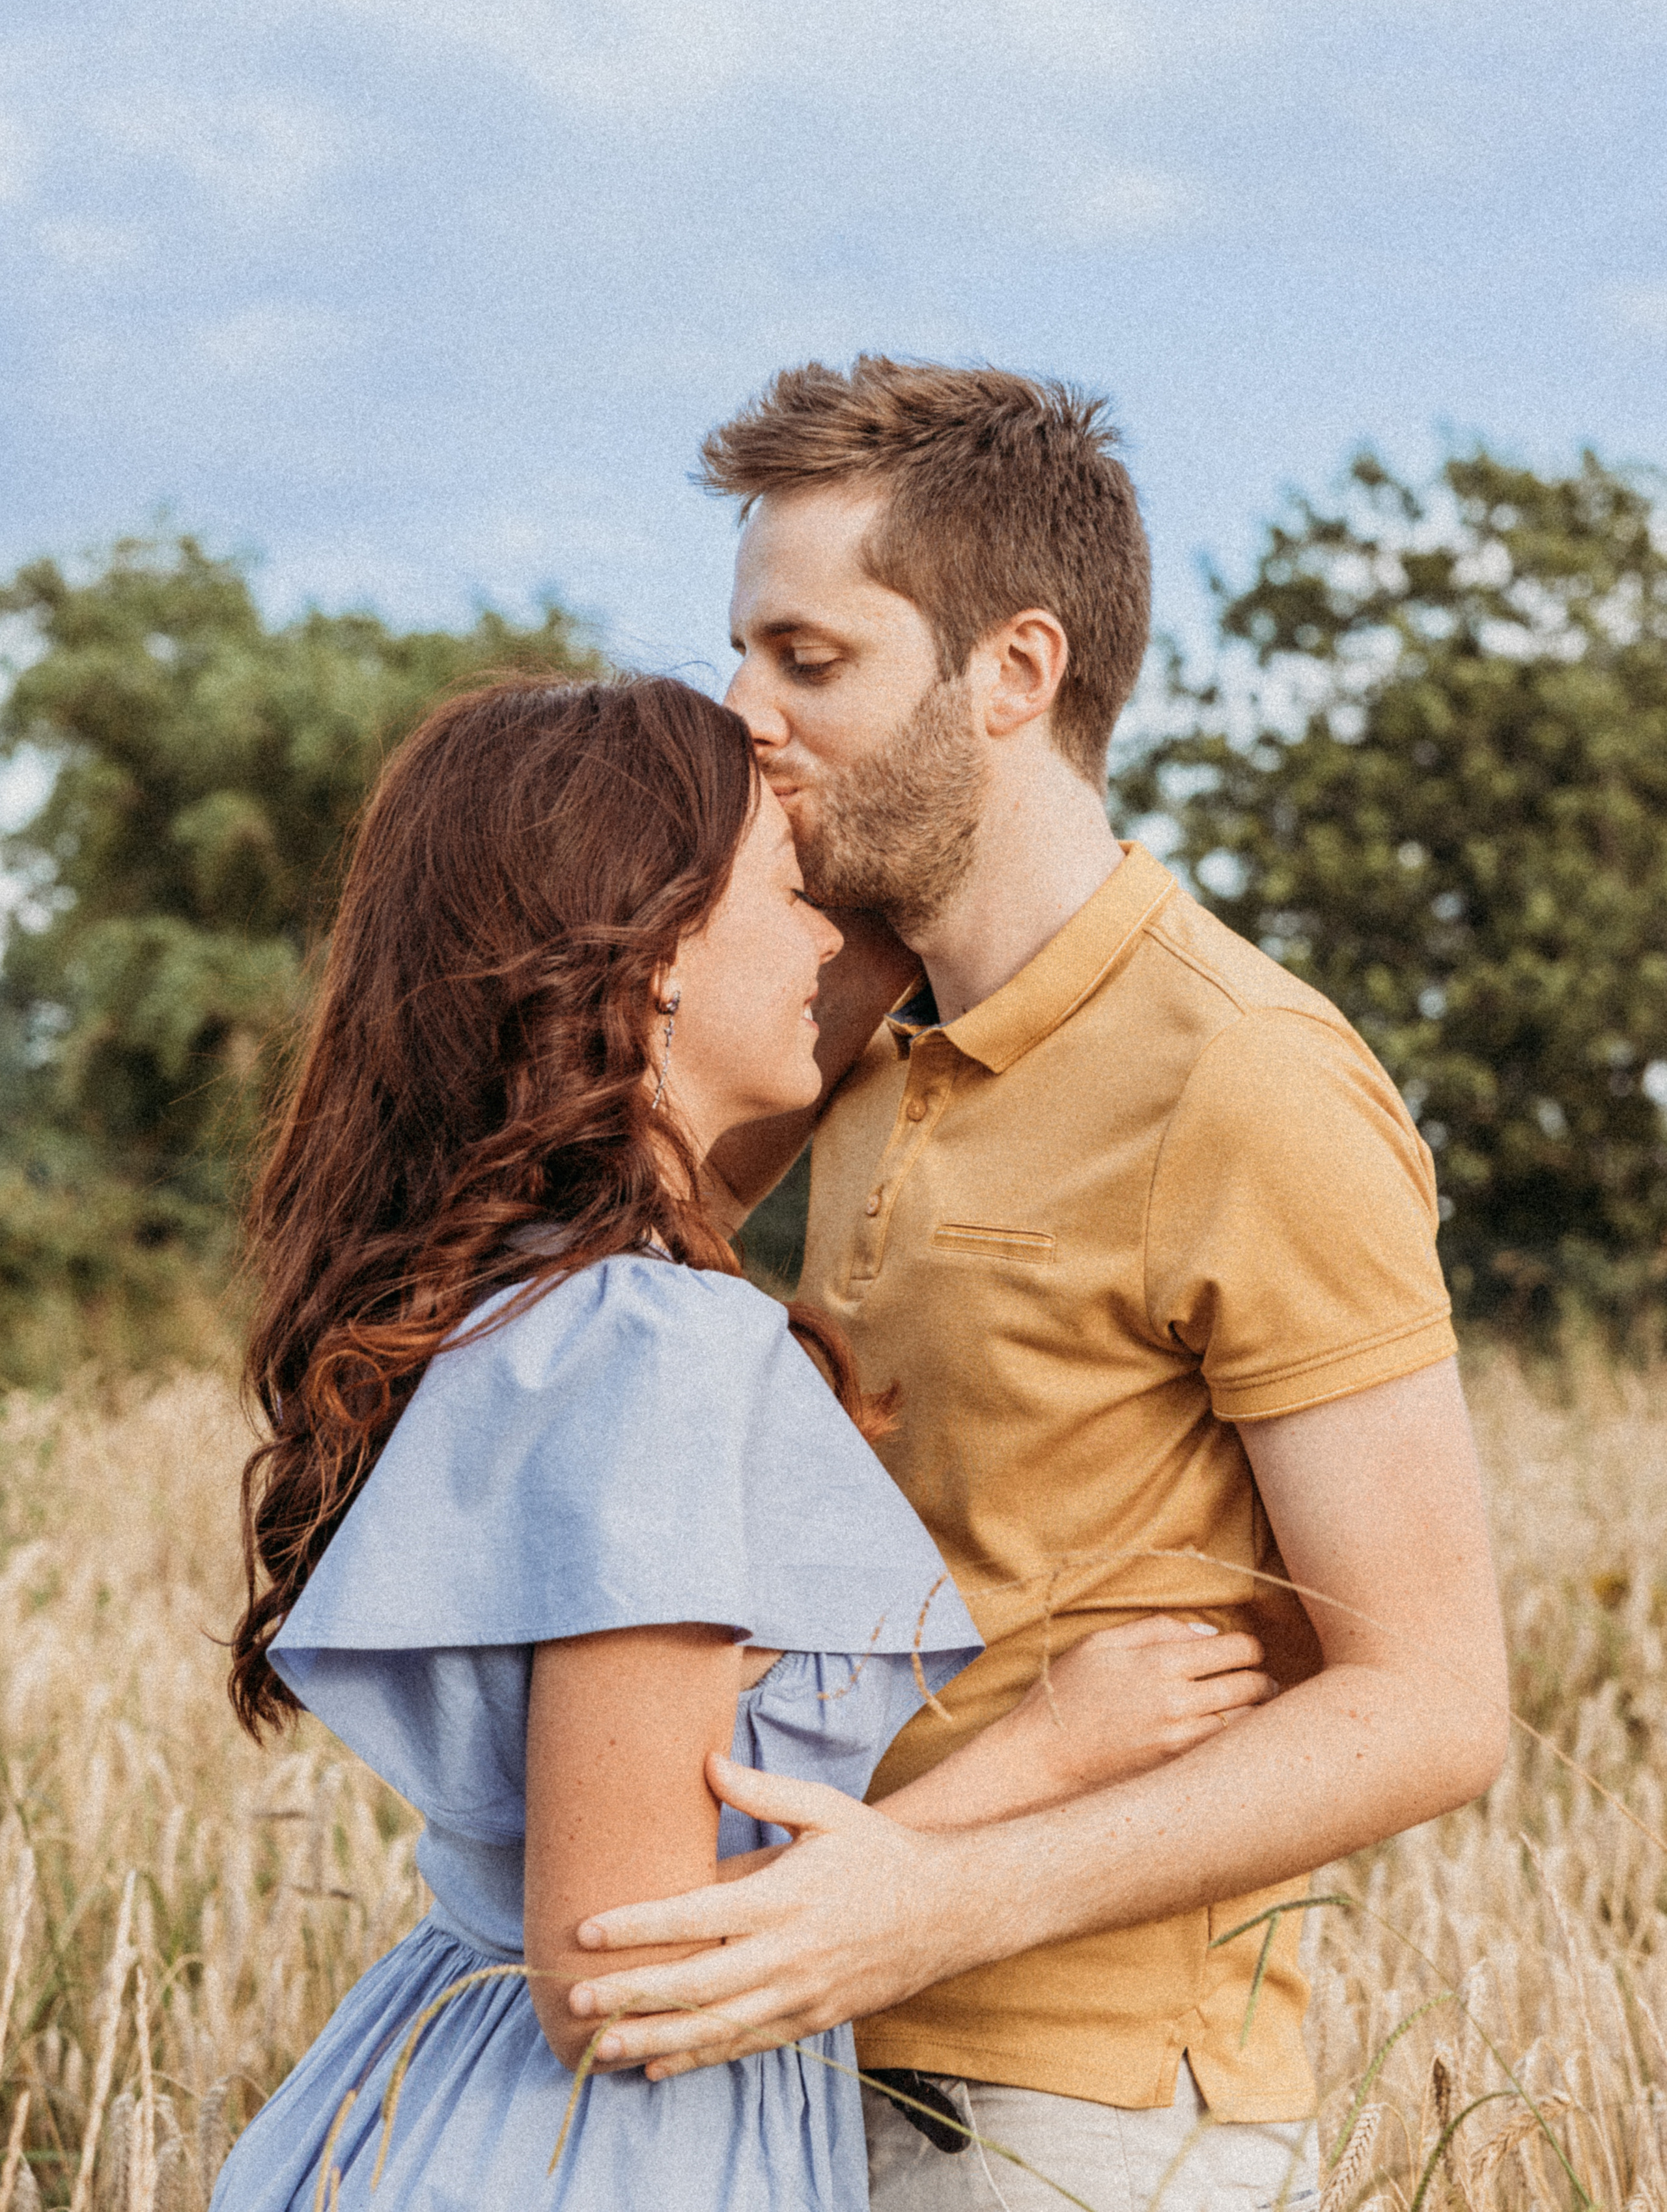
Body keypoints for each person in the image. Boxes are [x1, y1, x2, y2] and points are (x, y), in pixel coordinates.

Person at [559, 362, 1511, 2212]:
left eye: (808, 660)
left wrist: (928, 1899)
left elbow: (1433, 1701)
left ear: (1013, 671)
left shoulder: (1245, 1075)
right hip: (786, 2046)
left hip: (1068, 2120)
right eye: (742, 654)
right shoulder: (832, 1036)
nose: (743, 715)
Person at [211, 673, 1274, 2212]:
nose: (834, 945)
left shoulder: (530, 1299)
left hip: (441, 2102)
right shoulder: (656, 1350)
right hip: (596, 2154)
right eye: (789, 893)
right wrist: (1051, 1755)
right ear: (651, 967)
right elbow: (613, 1976)